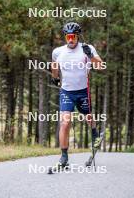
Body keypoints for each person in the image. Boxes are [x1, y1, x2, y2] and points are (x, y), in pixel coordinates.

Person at [51, 21, 104, 168]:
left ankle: (95, 136)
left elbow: (100, 65)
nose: (70, 40)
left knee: (88, 118)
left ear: (78, 36)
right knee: (65, 122)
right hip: (67, 92)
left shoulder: (88, 48)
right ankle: (63, 157)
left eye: (73, 37)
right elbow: (54, 65)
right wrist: (55, 77)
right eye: (68, 37)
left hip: (83, 91)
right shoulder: (58, 52)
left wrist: (90, 56)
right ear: (65, 37)